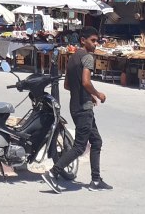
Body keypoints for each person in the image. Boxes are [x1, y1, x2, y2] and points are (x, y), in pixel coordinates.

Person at [43, 26, 113, 194]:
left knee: (96, 141)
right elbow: (86, 82)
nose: (95, 44)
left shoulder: (73, 58)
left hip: (75, 106)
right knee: (80, 147)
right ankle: (53, 173)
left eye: (97, 41)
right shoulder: (87, 57)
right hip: (83, 109)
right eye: (93, 40)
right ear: (83, 40)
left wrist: (87, 95)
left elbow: (67, 85)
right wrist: (97, 94)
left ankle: (96, 180)